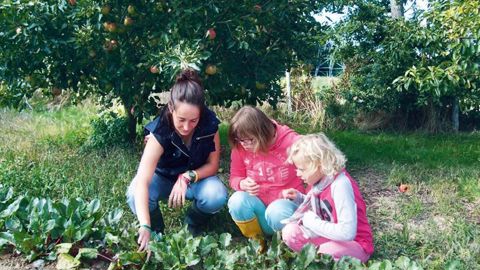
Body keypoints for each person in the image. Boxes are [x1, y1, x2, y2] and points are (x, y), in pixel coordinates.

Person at [126, 69, 227, 251]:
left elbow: (213, 165)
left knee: (216, 194)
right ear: (171, 108)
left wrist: (187, 176)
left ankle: (192, 224)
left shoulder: (210, 124)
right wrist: (144, 225)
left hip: (194, 179)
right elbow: (142, 180)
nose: (187, 127)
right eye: (181, 119)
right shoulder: (160, 131)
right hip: (163, 178)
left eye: (193, 120)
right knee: (134, 193)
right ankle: (156, 230)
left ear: (201, 114)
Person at [281, 133, 374, 262]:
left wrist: (312, 223)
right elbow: (324, 207)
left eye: (302, 169)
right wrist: (299, 198)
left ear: (319, 165)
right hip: (330, 236)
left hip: (355, 243)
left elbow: (347, 232)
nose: (298, 173)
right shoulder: (321, 181)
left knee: (325, 252)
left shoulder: (340, 185)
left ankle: (320, 259)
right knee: (290, 232)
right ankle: (315, 260)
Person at [227, 106, 305, 252]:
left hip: (286, 212)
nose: (244, 145)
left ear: (264, 133)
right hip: (260, 213)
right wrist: (242, 183)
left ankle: (285, 246)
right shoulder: (240, 146)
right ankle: (258, 243)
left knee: (276, 211)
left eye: (249, 140)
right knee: (237, 200)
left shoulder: (292, 142)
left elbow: (317, 168)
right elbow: (234, 177)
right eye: (240, 140)